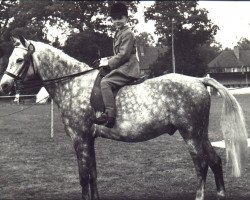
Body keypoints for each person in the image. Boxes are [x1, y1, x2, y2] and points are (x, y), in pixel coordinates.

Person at [92, 2, 140, 128]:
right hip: (122, 66)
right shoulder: (119, 33)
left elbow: (124, 55)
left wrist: (109, 64)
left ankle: (110, 115)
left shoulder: (128, 33)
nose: (117, 21)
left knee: (105, 82)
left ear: (126, 18)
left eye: (120, 18)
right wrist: (102, 61)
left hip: (128, 68)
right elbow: (117, 54)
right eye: (114, 18)